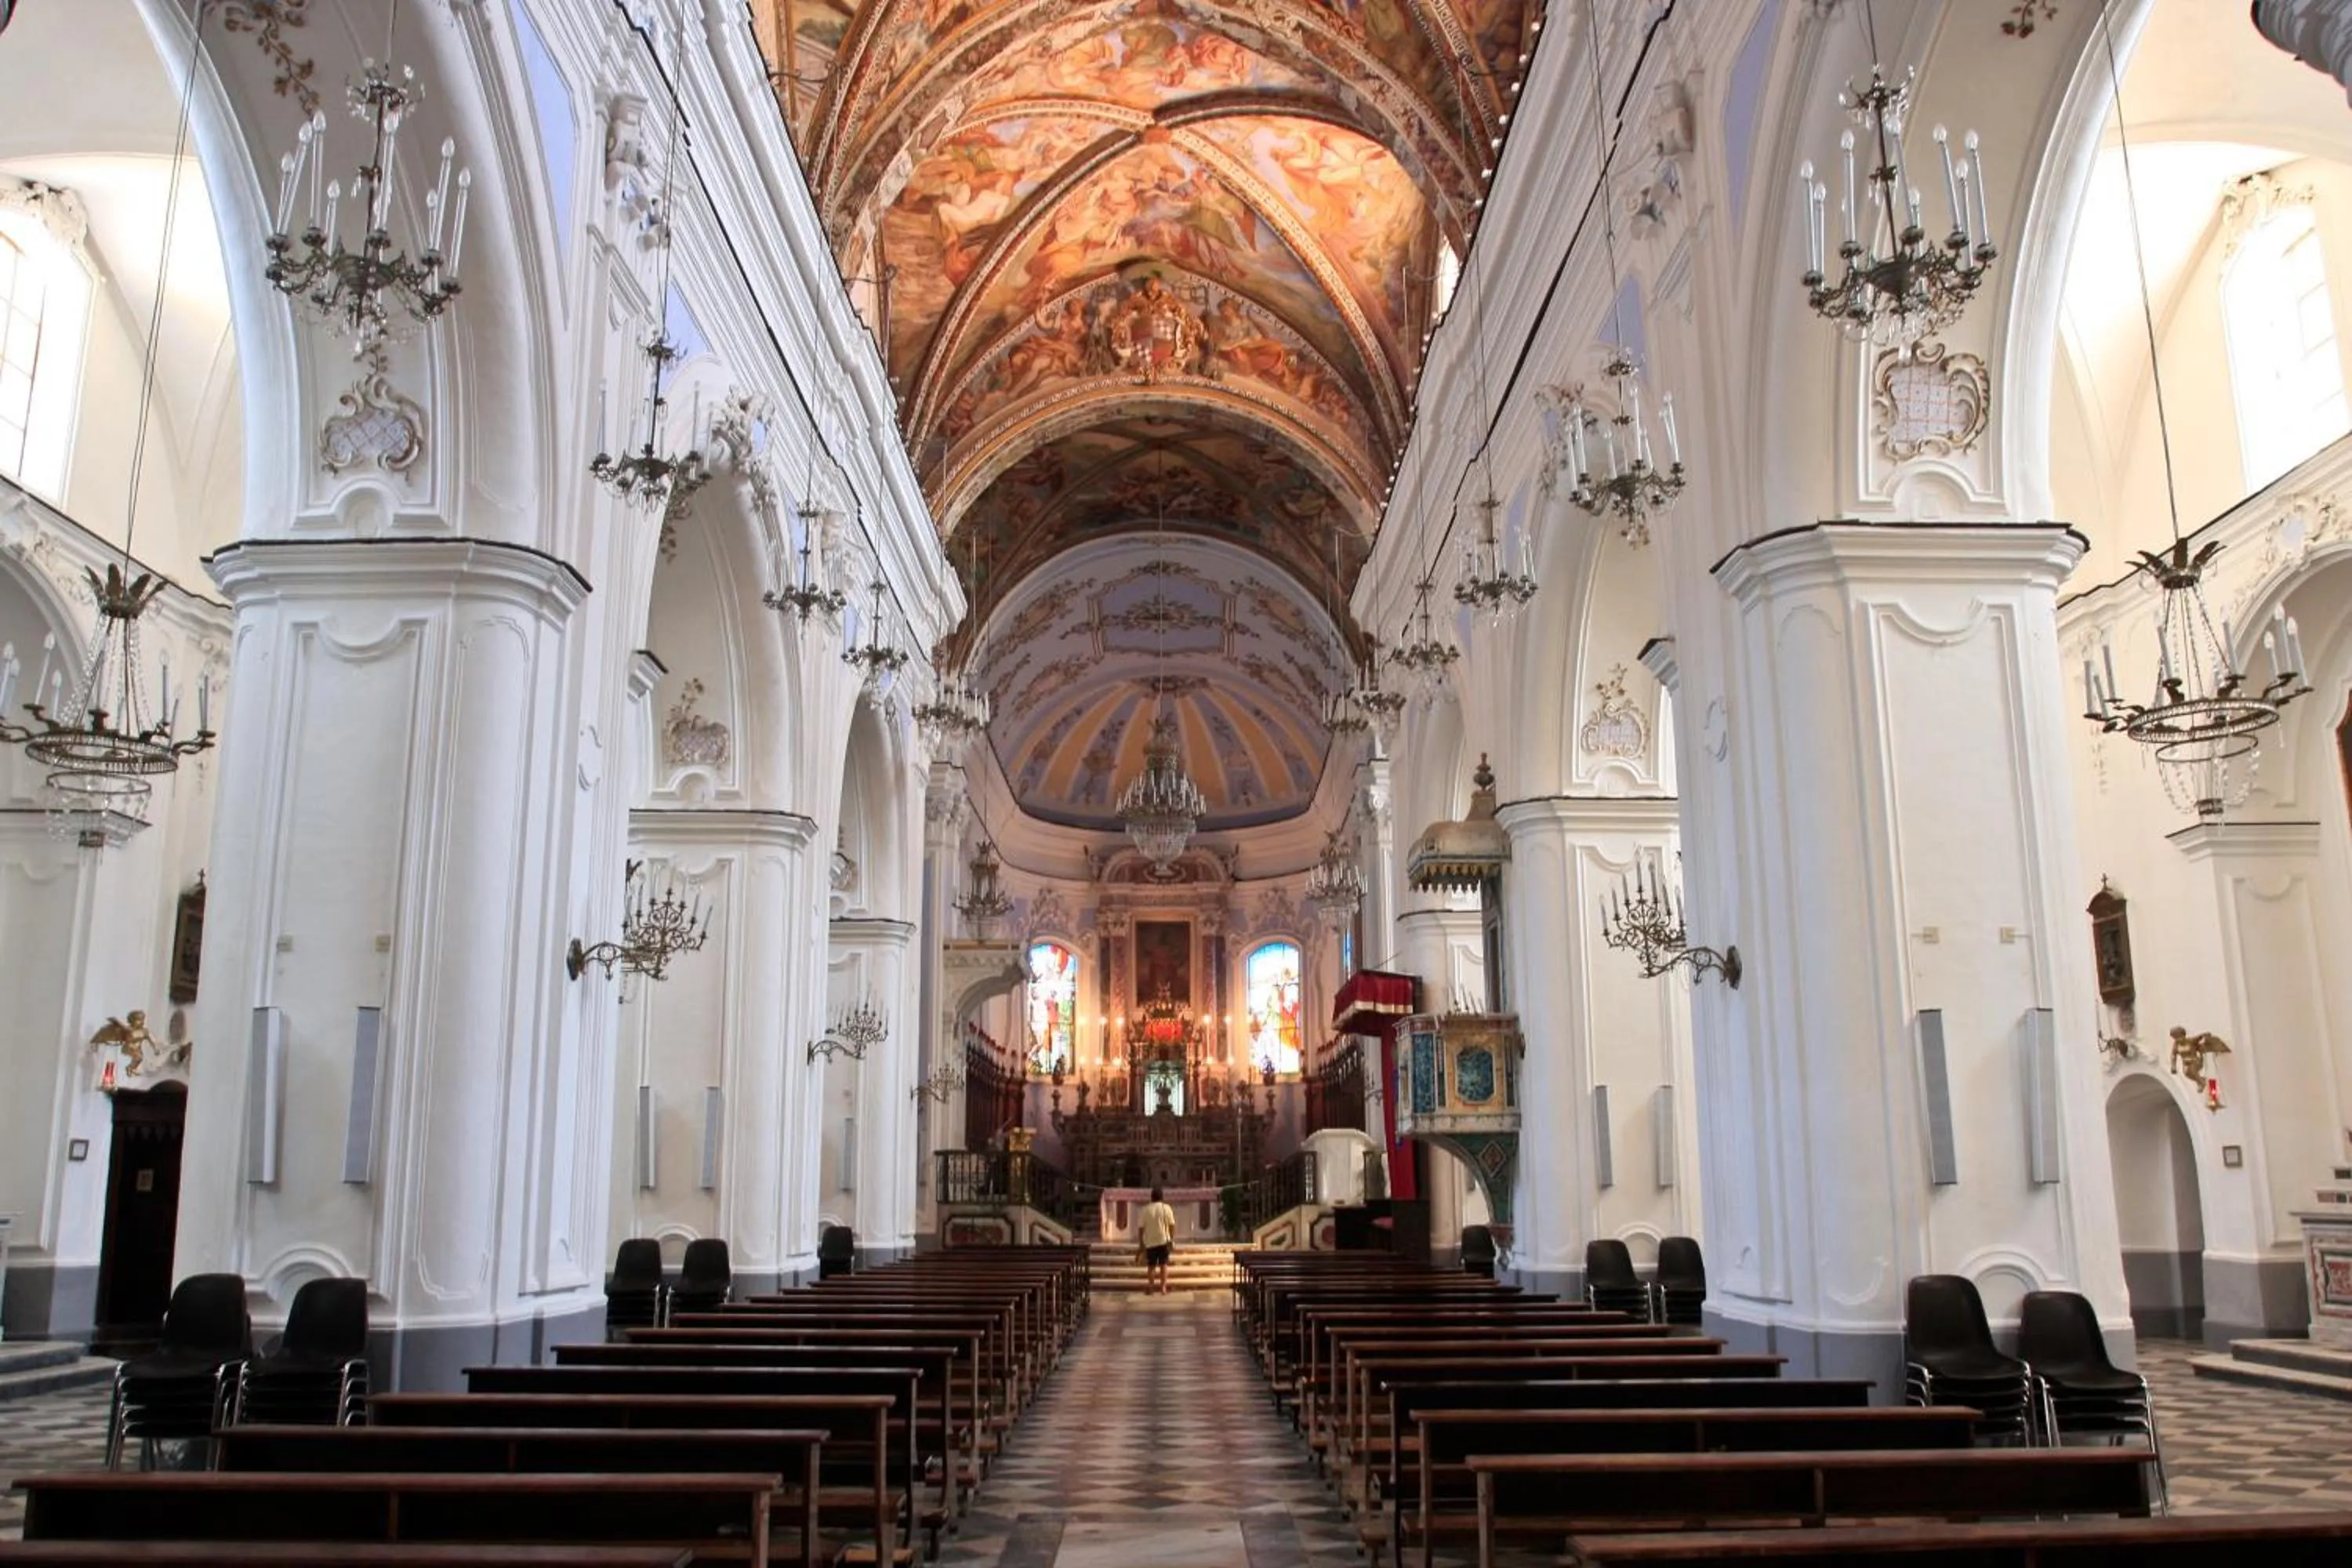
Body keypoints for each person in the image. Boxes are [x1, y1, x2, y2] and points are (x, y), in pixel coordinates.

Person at [1138, 1185, 1178, 1296]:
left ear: (1151, 1197)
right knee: (1163, 1265)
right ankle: (1163, 1288)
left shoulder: (1146, 1209)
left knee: (1151, 1266)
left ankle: (1151, 1287)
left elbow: (1141, 1228)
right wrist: (1172, 1239)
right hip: (1164, 1240)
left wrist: (1141, 1243)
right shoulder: (1166, 1208)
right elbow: (1172, 1225)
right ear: (1162, 1197)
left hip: (1150, 1241)